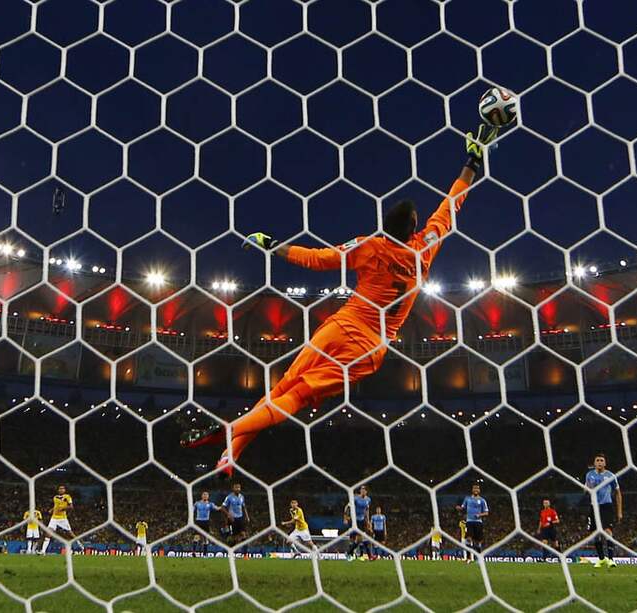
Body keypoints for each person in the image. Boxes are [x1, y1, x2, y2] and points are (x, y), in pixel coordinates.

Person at [180, 125, 500, 477]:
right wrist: (472, 162)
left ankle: (230, 453)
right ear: (414, 226)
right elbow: (451, 205)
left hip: (340, 325)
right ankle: (230, 432)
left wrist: (272, 245)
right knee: (298, 396)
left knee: (284, 386)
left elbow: (317, 259)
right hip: (368, 347)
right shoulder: (424, 250)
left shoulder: (369, 246)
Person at [585, 454, 622, 569]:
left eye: (602, 460)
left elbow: (618, 493)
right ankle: (601, 559)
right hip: (594, 507)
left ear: (605, 463)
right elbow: (586, 490)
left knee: (607, 531)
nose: (600, 462)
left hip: (606, 506)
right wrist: (587, 488)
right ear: (594, 463)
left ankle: (611, 559)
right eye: (597, 460)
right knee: (595, 534)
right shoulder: (589, 475)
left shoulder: (610, 475)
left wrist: (619, 511)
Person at [41, 485, 84, 554]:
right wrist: (52, 510)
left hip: (63, 519)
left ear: (65, 490)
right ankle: (43, 551)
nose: (61, 490)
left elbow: (71, 506)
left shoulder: (67, 497)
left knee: (70, 533)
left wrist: (64, 508)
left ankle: (80, 545)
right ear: (58, 490)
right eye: (60, 489)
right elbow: (56, 506)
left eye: (62, 489)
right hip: (54, 518)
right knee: (48, 533)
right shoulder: (55, 497)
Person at [457, 483, 488, 557]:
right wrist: (459, 508)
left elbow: (486, 513)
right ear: (472, 490)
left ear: (479, 490)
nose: (476, 490)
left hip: (478, 522)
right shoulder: (467, 499)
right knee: (468, 539)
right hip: (469, 521)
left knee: (478, 541)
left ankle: (479, 556)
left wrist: (479, 515)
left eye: (477, 488)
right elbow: (463, 507)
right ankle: (468, 557)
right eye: (474, 488)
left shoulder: (482, 500)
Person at [345, 485, 372, 560]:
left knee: (359, 539)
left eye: (364, 490)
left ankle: (349, 553)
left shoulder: (368, 500)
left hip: (362, 521)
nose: (363, 491)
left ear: (366, 491)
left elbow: (367, 510)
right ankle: (368, 556)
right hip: (354, 520)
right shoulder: (355, 498)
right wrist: (346, 517)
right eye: (361, 489)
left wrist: (368, 521)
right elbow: (347, 507)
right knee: (354, 538)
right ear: (360, 491)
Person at [193, 491, 220, 556]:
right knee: (196, 537)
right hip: (198, 521)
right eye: (204, 494)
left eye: (206, 495)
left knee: (205, 538)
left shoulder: (210, 504)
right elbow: (192, 510)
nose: (205, 496)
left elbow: (217, 508)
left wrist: (223, 506)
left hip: (206, 522)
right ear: (202, 496)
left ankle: (204, 554)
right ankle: (193, 552)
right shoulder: (197, 503)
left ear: (208, 496)